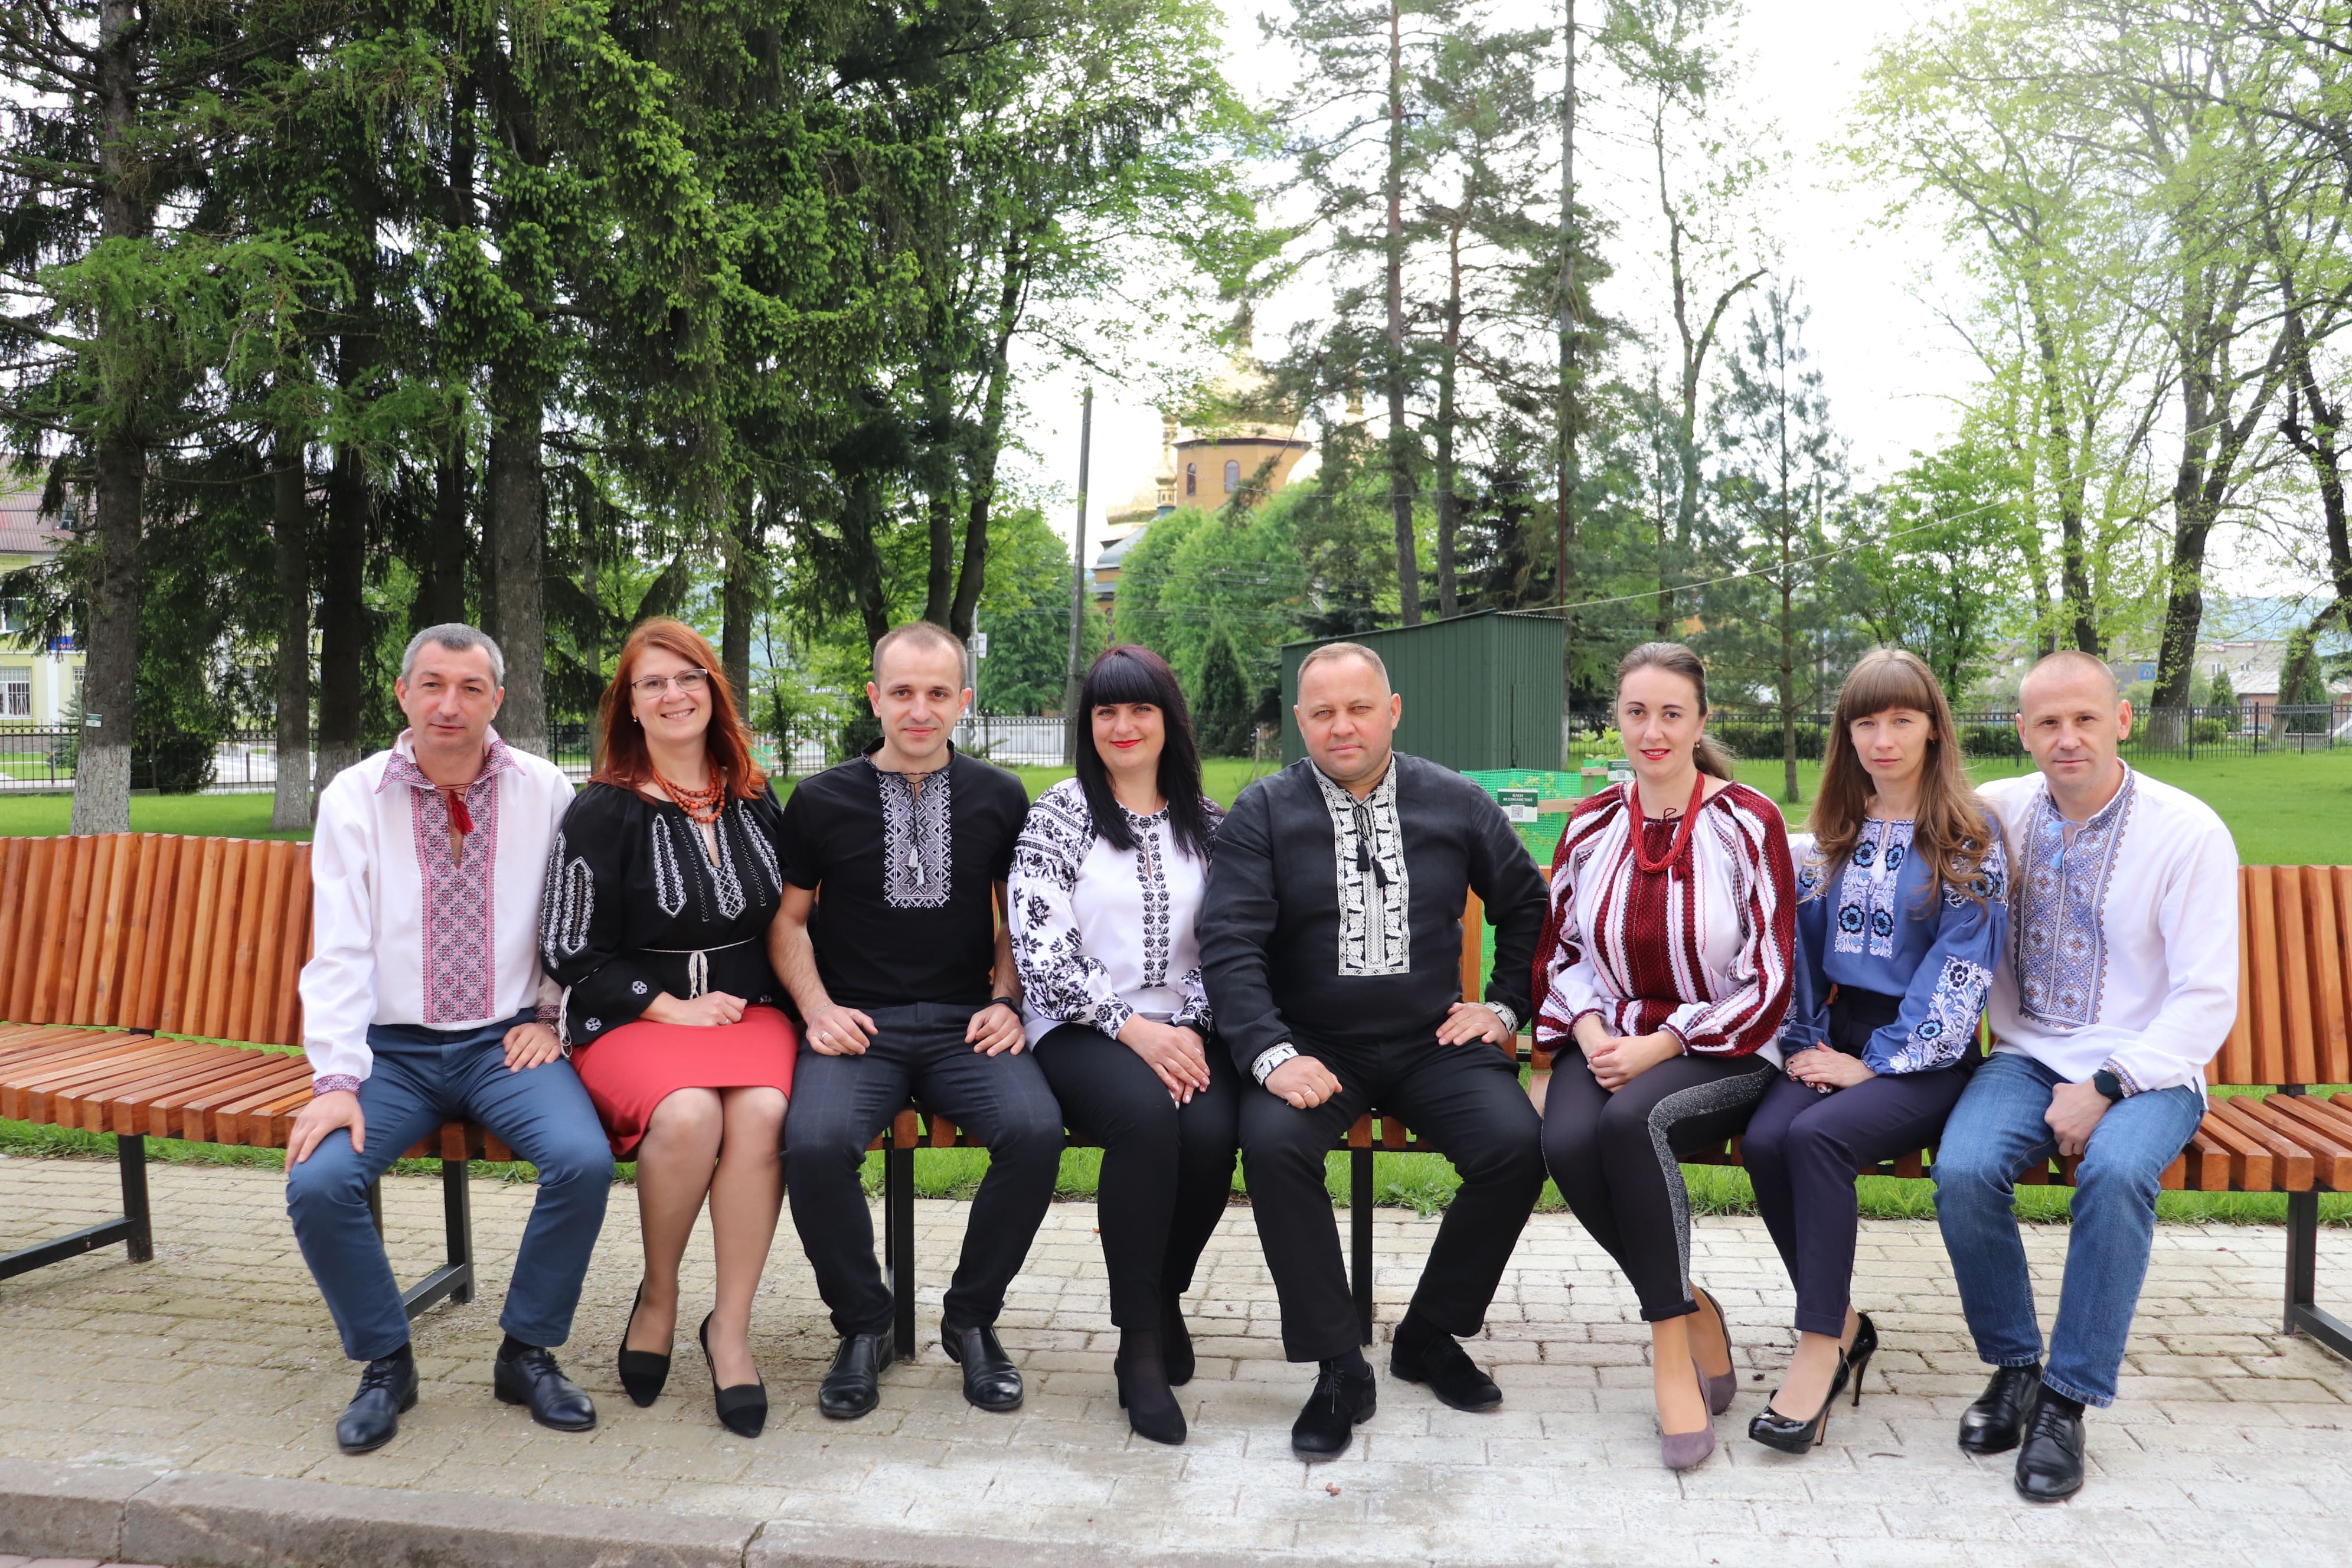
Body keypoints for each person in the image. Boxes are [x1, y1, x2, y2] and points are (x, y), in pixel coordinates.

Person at [1201, 642, 1549, 1461]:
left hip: (1435, 1040)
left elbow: (1528, 906)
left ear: (1392, 711)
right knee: (1274, 1147)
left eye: (1359, 708)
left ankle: (1428, 1335)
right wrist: (1272, 1053)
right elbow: (1230, 943)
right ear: (1301, 722)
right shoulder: (1263, 811)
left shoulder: (1455, 801)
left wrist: (1502, 1008)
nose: (1343, 727)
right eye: (1323, 713)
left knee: (1516, 1146)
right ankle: (1337, 1366)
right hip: (1314, 1046)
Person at [286, 624, 611, 1455]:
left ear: (498, 699)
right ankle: (386, 1363)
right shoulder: (356, 796)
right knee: (320, 1183)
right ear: (403, 693)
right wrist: (337, 1080)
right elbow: (339, 947)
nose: (449, 705)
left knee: (582, 1162)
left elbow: (572, 920)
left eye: (470, 688)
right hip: (389, 1052)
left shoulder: (544, 788)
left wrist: (549, 1016)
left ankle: (526, 1353)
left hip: (506, 1045)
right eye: (432, 684)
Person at [1932, 651, 2236, 1503]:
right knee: (1963, 1170)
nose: (2068, 738)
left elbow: (2207, 997)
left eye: (2086, 719)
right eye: (2048, 723)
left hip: (2151, 1066)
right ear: (2023, 732)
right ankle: (2015, 1368)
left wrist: (2106, 1087)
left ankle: (2066, 1400)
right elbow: (1876, 830)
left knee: (2116, 1172)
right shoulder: (1996, 813)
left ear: (2122, 722)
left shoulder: (2187, 831)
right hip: (2028, 1056)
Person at [772, 621, 1057, 1419]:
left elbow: (1016, 919)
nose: (920, 710)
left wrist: (1006, 1000)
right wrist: (818, 1009)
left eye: (938, 693)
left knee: (1035, 1133)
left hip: (967, 1024)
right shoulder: (820, 799)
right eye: (902, 692)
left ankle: (971, 1320)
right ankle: (864, 1325)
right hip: (857, 1027)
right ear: (876, 698)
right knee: (814, 1143)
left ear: (964, 701)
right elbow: (788, 923)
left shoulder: (1000, 795)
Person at [1533, 641, 1796, 1472]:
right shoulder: (1590, 824)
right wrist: (1589, 1035)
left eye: (1672, 714)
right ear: (1617, 718)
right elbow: (1562, 951)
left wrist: (1665, 1042)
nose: (1653, 732)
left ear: (1701, 720)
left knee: (1628, 1124)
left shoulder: (1748, 822)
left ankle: (1670, 1354)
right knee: (1565, 1141)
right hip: (1607, 1036)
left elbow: (1770, 972)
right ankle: (1693, 1305)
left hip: (1725, 1041)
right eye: (1637, 712)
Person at [1742, 649, 2008, 1454]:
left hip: (1927, 1053)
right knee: (1766, 1139)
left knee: (1817, 1138)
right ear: (1846, 734)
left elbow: (1961, 969)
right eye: (1866, 723)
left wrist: (1876, 1063)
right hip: (1834, 1033)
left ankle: (1818, 1347)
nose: (1883, 740)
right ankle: (1847, 1322)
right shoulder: (1831, 836)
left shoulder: (1968, 837)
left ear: (1934, 729)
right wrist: (1809, 1040)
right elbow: (1796, 950)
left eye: (1902, 720)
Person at [540, 619, 798, 1439]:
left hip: (749, 1013)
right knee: (688, 1114)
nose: (673, 695)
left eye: (688, 677)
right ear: (630, 705)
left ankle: (731, 1329)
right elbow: (569, 946)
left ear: (713, 690)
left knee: (762, 1111)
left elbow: (793, 915)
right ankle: (659, 1292)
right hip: (630, 1017)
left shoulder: (752, 794)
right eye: (652, 683)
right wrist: (670, 1006)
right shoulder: (602, 809)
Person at [1010, 645, 1236, 1446]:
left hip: (1186, 1026)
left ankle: (1164, 1295)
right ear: (1090, 725)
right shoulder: (1060, 814)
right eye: (1106, 711)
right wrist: (1132, 1029)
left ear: (1169, 720)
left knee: (1211, 1132)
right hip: (1078, 1024)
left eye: (1141, 708)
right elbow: (1040, 948)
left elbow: (1229, 941)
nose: (1123, 725)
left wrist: (1188, 1027)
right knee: (1145, 1119)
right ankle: (1138, 1347)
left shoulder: (1208, 823)